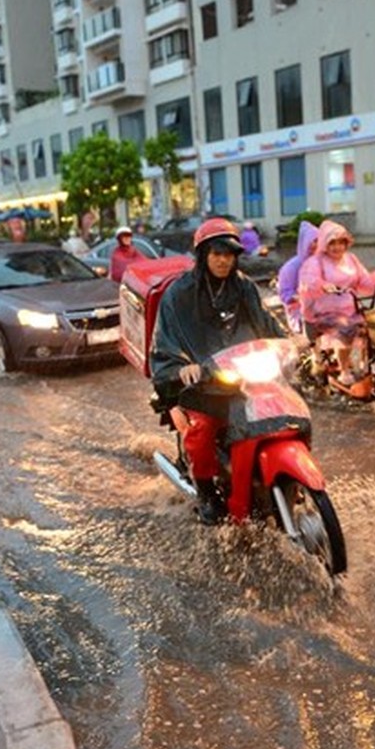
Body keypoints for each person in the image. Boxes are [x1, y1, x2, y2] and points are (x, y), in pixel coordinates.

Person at [150, 218, 288, 525]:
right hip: (202, 385)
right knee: (201, 432)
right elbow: (166, 342)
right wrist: (182, 367)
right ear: (202, 255)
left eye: (230, 254)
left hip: (245, 376)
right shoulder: (179, 294)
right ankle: (206, 492)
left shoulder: (243, 287)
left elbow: (267, 323)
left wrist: (292, 342)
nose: (224, 260)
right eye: (217, 254)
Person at [297, 220, 375, 386]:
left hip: (350, 307)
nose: (337, 247)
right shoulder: (316, 262)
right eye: (332, 243)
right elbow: (308, 282)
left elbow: (364, 281)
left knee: (370, 329)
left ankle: (363, 365)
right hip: (324, 312)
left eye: (341, 242)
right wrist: (323, 286)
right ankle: (344, 371)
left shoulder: (351, 259)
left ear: (347, 243)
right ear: (325, 244)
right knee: (345, 329)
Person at [275, 220, 318, 334]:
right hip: (300, 310)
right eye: (313, 241)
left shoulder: (322, 263)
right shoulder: (291, 267)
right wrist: (302, 297)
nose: (317, 245)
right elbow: (285, 294)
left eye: (319, 241)